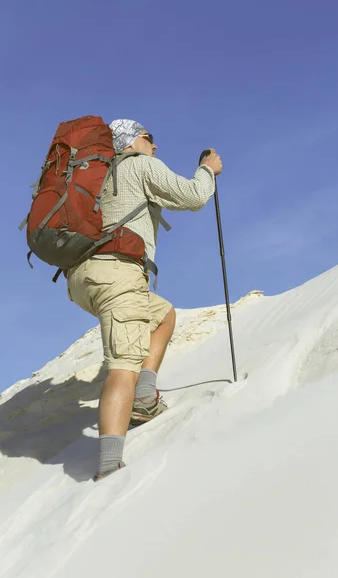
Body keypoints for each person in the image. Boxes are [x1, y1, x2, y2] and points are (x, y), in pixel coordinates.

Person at [67, 119, 222, 480]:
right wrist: (207, 170)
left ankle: (144, 398)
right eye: (149, 137)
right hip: (119, 270)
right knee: (124, 363)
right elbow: (193, 196)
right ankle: (108, 467)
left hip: (83, 277)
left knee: (163, 314)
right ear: (133, 140)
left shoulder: (99, 177)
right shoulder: (138, 164)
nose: (155, 144)